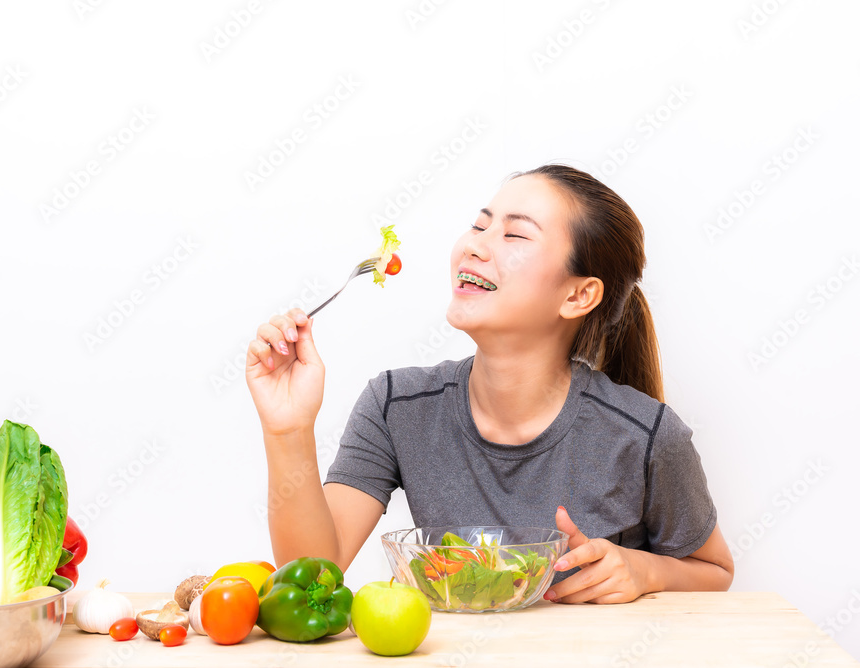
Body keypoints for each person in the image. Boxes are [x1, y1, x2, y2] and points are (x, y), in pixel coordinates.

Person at [245, 164, 734, 604]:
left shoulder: (647, 434)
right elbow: (311, 576)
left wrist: (645, 569)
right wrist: (287, 430)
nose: (473, 244)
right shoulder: (397, 406)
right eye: (479, 224)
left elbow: (715, 571)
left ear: (579, 294)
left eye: (514, 235)